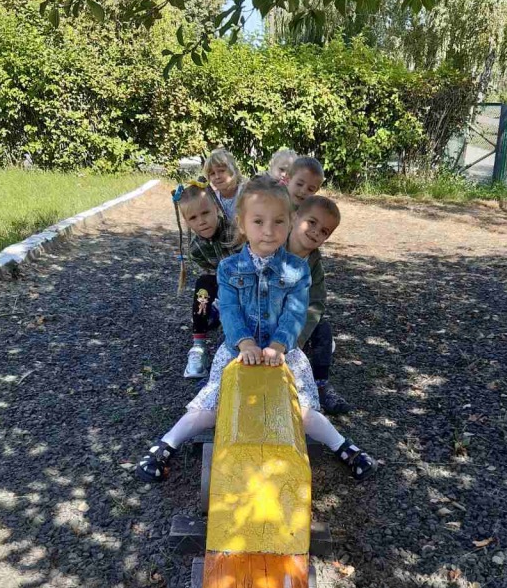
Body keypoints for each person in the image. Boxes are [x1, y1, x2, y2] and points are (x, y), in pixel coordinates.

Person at [135, 175, 376, 483]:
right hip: (239, 350)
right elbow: (230, 311)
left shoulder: (298, 269)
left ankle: (345, 448)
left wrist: (279, 345)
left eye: (278, 222)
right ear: (242, 223)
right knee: (213, 404)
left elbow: (295, 312)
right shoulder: (228, 268)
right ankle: (165, 445)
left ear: (290, 222)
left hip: (283, 352)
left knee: (301, 409)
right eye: (258, 221)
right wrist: (245, 343)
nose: (269, 231)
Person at [288, 195, 350, 414]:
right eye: (312, 222)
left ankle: (321, 384)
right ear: (294, 217)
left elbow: (316, 304)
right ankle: (218, 379)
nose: (316, 232)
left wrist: (298, 337)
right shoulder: (272, 246)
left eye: (324, 231)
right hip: (265, 313)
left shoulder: (314, 265)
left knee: (323, 329)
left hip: (294, 322)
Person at [172, 181, 239, 379]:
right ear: (186, 222)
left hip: (246, 284)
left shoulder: (235, 232)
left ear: (216, 208)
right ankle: (198, 346)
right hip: (222, 287)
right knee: (203, 285)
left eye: (205, 213)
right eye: (193, 217)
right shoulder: (196, 249)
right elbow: (210, 272)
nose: (201, 221)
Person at [203, 147, 243, 220]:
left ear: (232, 170)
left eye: (221, 171)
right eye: (212, 173)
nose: (217, 176)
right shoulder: (211, 198)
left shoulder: (246, 192)